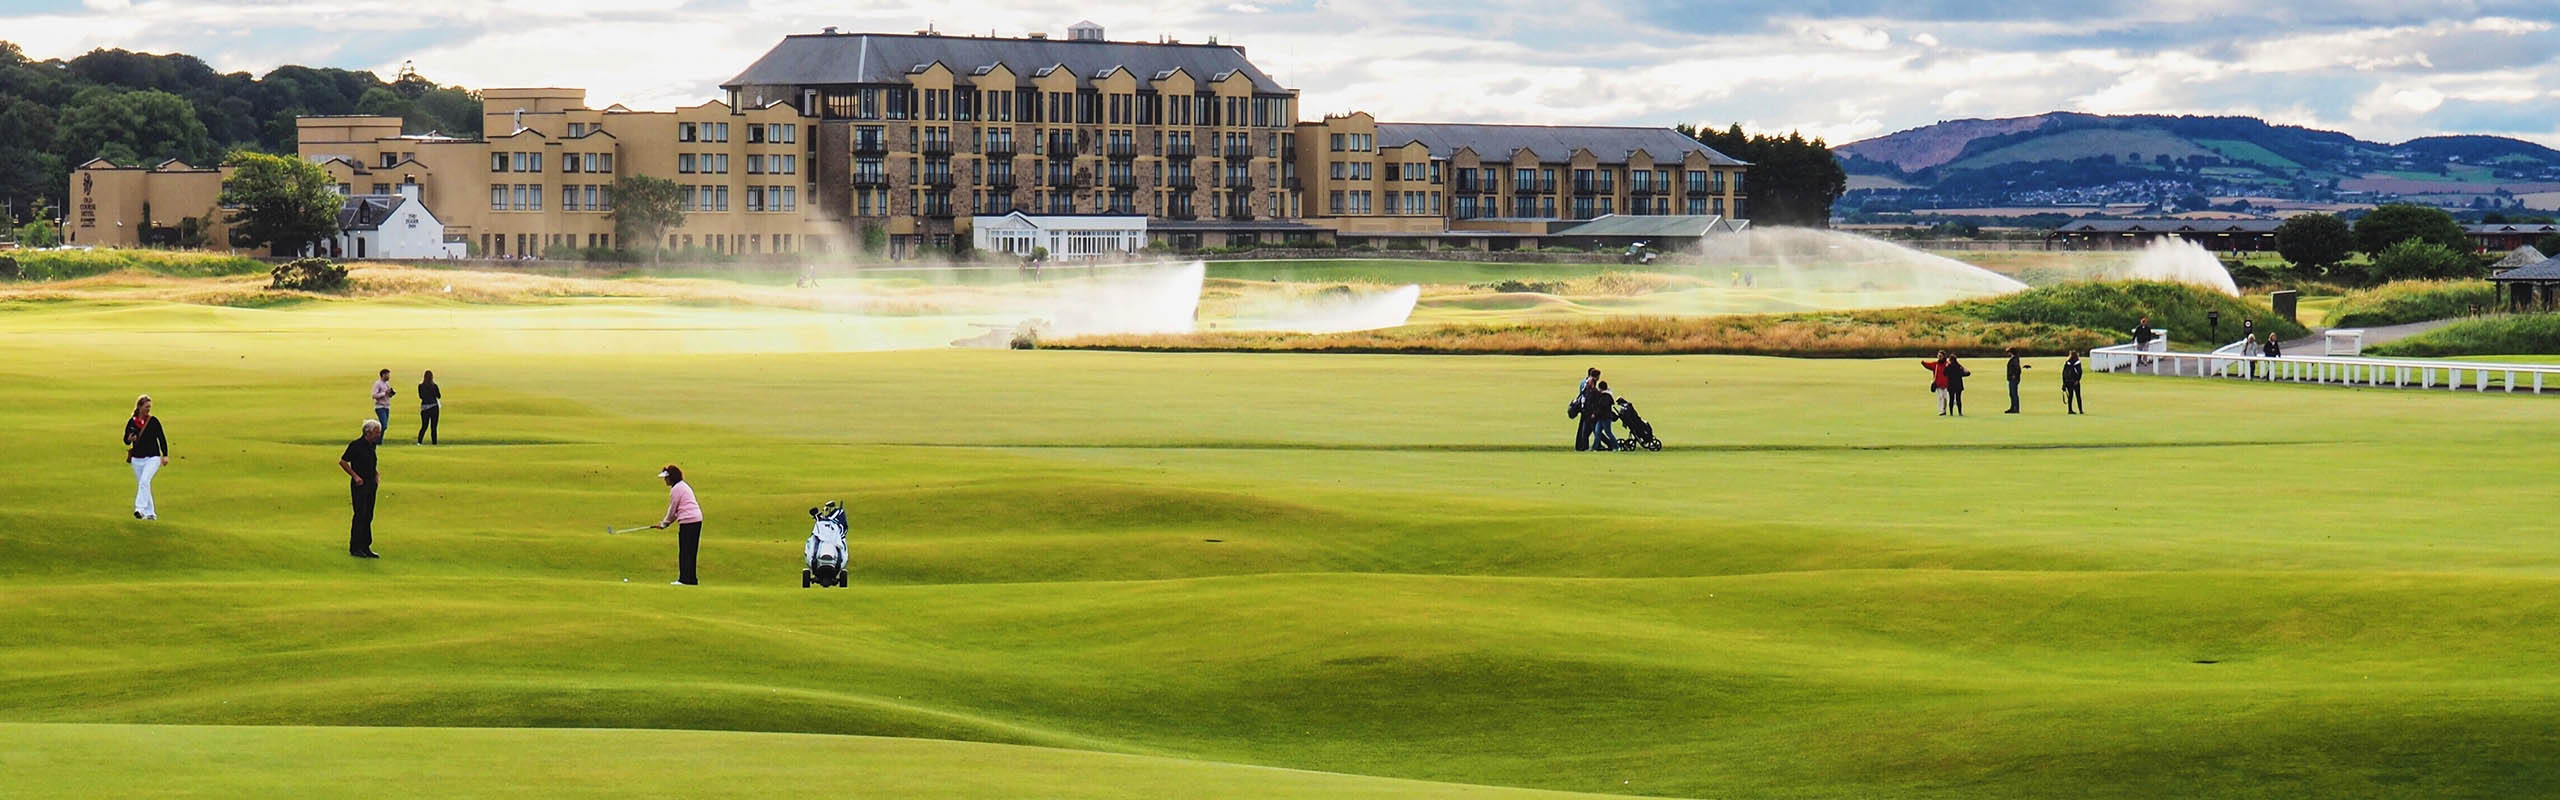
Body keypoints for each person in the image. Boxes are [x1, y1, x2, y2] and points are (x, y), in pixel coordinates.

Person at [338, 419, 384, 558]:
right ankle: (355, 547)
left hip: (371, 483)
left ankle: (366, 546)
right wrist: (355, 476)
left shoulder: (372, 445)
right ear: (368, 432)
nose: (379, 434)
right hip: (360, 484)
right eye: (377, 432)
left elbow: (371, 461)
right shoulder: (356, 445)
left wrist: (376, 474)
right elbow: (343, 462)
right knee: (360, 514)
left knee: (369, 515)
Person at [653, 464, 704, 586]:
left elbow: (672, 509)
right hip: (695, 520)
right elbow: (676, 512)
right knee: (691, 551)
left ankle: (684, 579)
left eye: (666, 478)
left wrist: (665, 523)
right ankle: (691, 579)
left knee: (685, 551)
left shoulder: (676, 489)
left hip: (689, 521)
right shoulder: (682, 486)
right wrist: (666, 523)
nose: (665, 480)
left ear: (671, 478)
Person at [123, 394, 169, 520]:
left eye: (150, 407)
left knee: (144, 482)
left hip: (152, 457)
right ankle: (150, 513)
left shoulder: (153, 421)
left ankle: (139, 509)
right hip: (137, 459)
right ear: (140, 407)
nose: (148, 409)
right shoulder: (132, 422)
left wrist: (165, 455)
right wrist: (129, 439)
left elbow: (162, 438)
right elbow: (126, 440)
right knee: (144, 484)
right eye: (146, 407)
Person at [1572, 367, 1602, 452]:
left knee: (1585, 429)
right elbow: (1590, 397)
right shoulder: (1590, 384)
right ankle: (1594, 445)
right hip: (1588, 410)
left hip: (1584, 408)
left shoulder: (1584, 382)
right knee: (1591, 429)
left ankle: (1582, 445)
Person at [1588, 381, 1620, 451]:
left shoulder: (1605, 396)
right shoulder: (1606, 395)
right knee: (1597, 432)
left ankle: (1616, 446)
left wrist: (1595, 414)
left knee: (1608, 432)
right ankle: (1595, 447)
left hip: (1605, 418)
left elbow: (1602, 408)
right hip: (1601, 417)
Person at [2003, 347, 2033, 414]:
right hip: (2012, 379)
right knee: (2012, 394)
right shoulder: (2014, 359)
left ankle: (2015, 408)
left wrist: (2014, 376)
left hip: (2013, 379)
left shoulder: (2014, 359)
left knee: (2014, 394)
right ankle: (2013, 407)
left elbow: (2017, 369)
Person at [416, 370, 442, 445]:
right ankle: (434, 442)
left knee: (424, 425)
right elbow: (439, 396)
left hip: (424, 408)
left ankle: (419, 442)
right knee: (433, 426)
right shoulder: (434, 386)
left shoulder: (420, 386)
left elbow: (421, 396)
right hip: (434, 406)